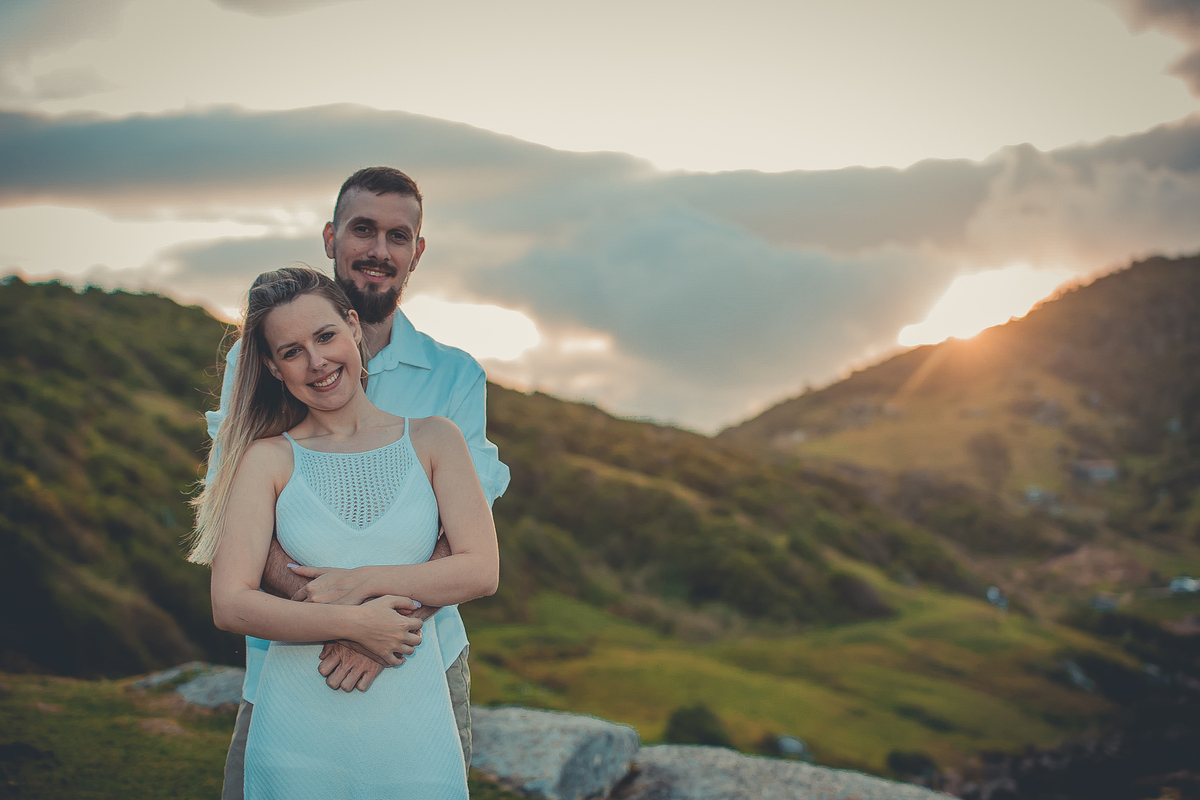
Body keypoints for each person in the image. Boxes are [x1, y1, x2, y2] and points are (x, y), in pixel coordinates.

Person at [204, 167, 510, 799]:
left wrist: (381, 625)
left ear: (416, 251)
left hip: (423, 653)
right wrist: (346, 621)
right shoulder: (257, 389)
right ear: (331, 237)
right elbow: (233, 521)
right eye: (362, 229)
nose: (379, 250)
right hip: (293, 662)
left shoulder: (453, 382)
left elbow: (465, 541)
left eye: (398, 236)